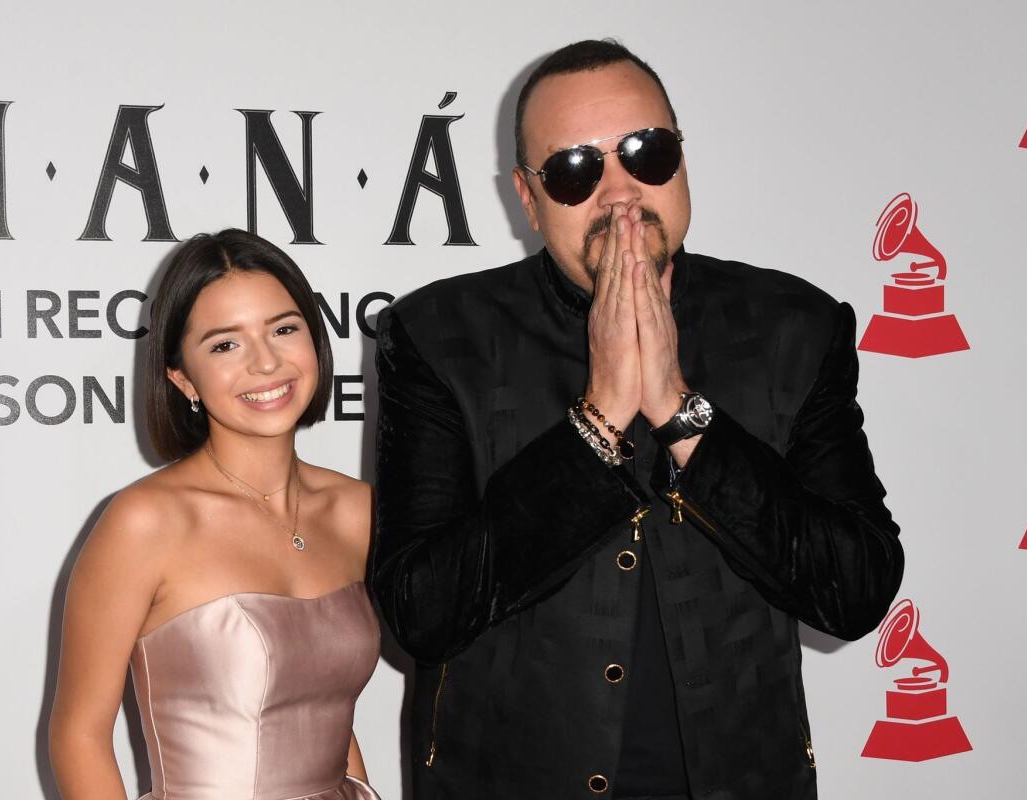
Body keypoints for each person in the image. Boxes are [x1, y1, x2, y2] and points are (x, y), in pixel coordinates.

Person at [369, 40, 904, 799]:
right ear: (527, 197)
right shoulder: (441, 337)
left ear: (681, 160)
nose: (620, 193)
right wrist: (601, 416)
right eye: (575, 170)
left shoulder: (794, 327)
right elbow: (424, 610)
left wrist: (682, 414)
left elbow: (854, 588)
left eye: (645, 153)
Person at [49, 229, 381, 800]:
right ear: (183, 379)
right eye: (225, 345)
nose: (266, 362)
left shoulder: (358, 509)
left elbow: (323, 703)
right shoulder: (145, 522)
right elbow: (78, 736)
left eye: (284, 328)